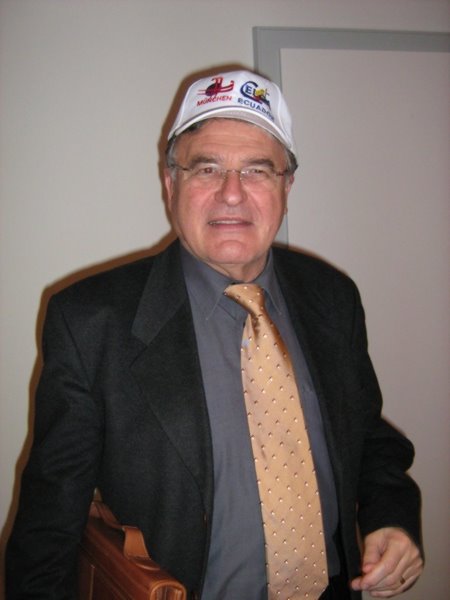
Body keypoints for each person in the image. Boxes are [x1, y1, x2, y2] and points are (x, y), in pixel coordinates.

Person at [6, 69, 423, 599]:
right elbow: (48, 528)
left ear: (287, 188)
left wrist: (392, 518)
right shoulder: (90, 322)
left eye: (257, 170)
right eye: (207, 168)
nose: (231, 194)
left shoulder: (332, 297)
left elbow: (368, 437)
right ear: (170, 185)